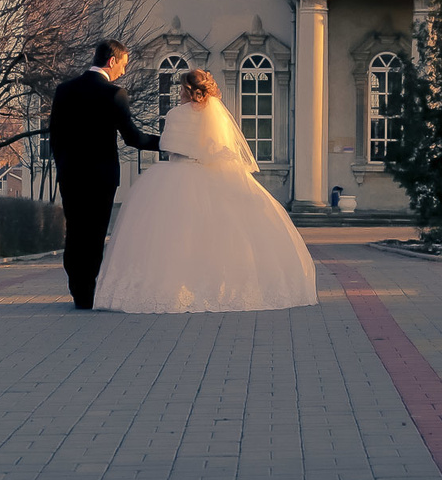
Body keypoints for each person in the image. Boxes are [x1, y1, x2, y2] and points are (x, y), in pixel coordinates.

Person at [94, 68, 317, 314]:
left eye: (181, 88)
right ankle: (217, 286)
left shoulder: (176, 114)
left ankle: (176, 287)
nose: (179, 92)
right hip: (211, 173)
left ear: (189, 90)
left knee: (173, 237)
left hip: (177, 175)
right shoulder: (218, 116)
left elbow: (169, 146)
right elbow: (221, 149)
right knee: (218, 235)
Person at [48, 40, 161, 309]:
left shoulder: (64, 90)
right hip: (101, 176)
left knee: (75, 231)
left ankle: (78, 290)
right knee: (95, 233)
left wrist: (64, 165)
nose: (123, 71)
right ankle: (87, 291)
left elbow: (55, 136)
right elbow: (133, 138)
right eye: (123, 65)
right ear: (112, 61)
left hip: (71, 175)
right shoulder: (114, 93)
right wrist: (166, 141)